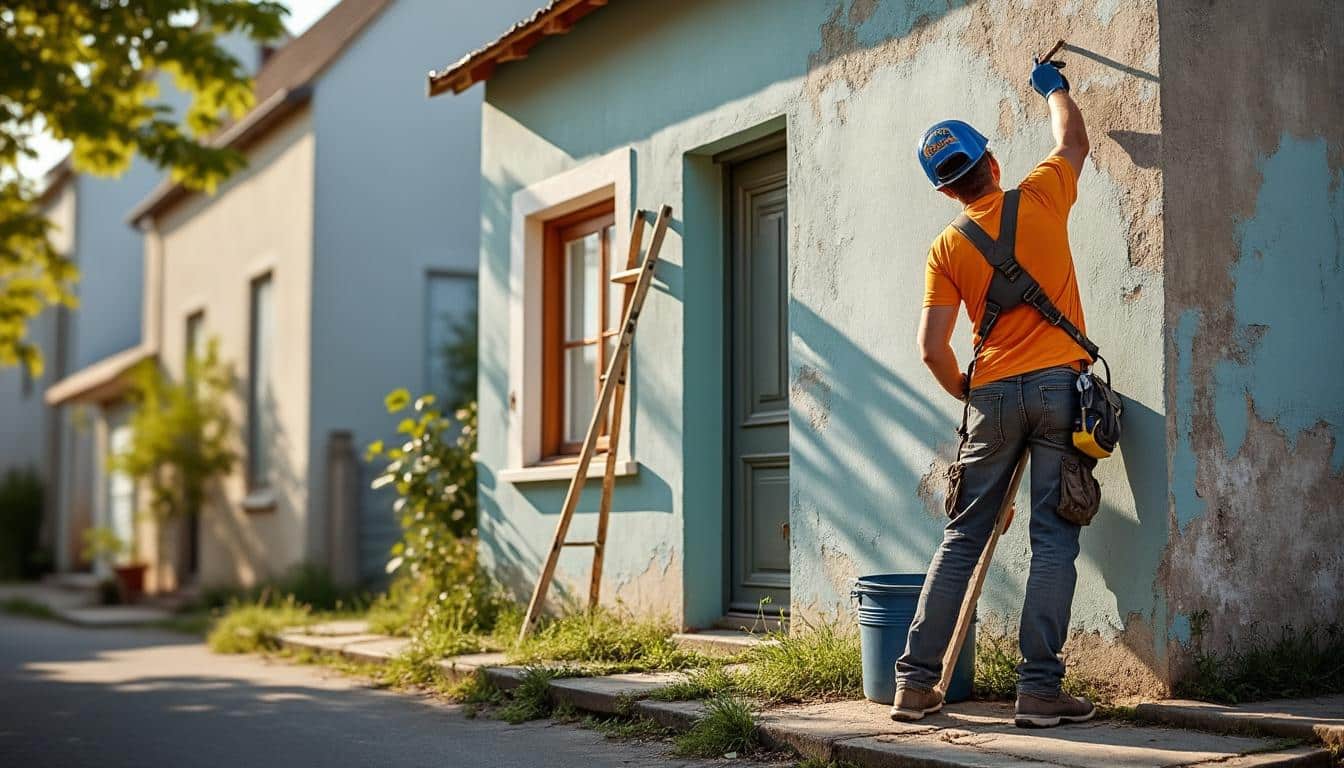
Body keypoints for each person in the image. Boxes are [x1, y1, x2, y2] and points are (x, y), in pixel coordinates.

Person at [890, 57, 1096, 728]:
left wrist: (969, 395)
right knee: (1053, 537)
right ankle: (1039, 691)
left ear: (946, 191)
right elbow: (1073, 143)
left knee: (963, 536)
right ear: (994, 163)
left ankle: (916, 684)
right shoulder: (1039, 193)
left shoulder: (947, 248)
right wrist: (1054, 88)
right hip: (1062, 390)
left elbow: (931, 348)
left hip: (994, 396)